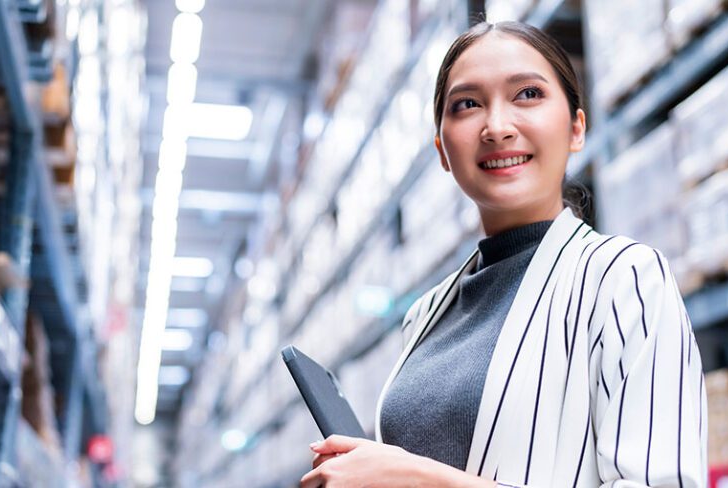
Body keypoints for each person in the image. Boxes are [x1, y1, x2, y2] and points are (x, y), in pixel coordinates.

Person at [301, 20, 707, 488]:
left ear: (576, 128)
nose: (496, 127)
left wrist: (418, 478)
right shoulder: (426, 315)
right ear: (442, 150)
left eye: (528, 94)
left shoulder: (624, 279)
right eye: (467, 104)